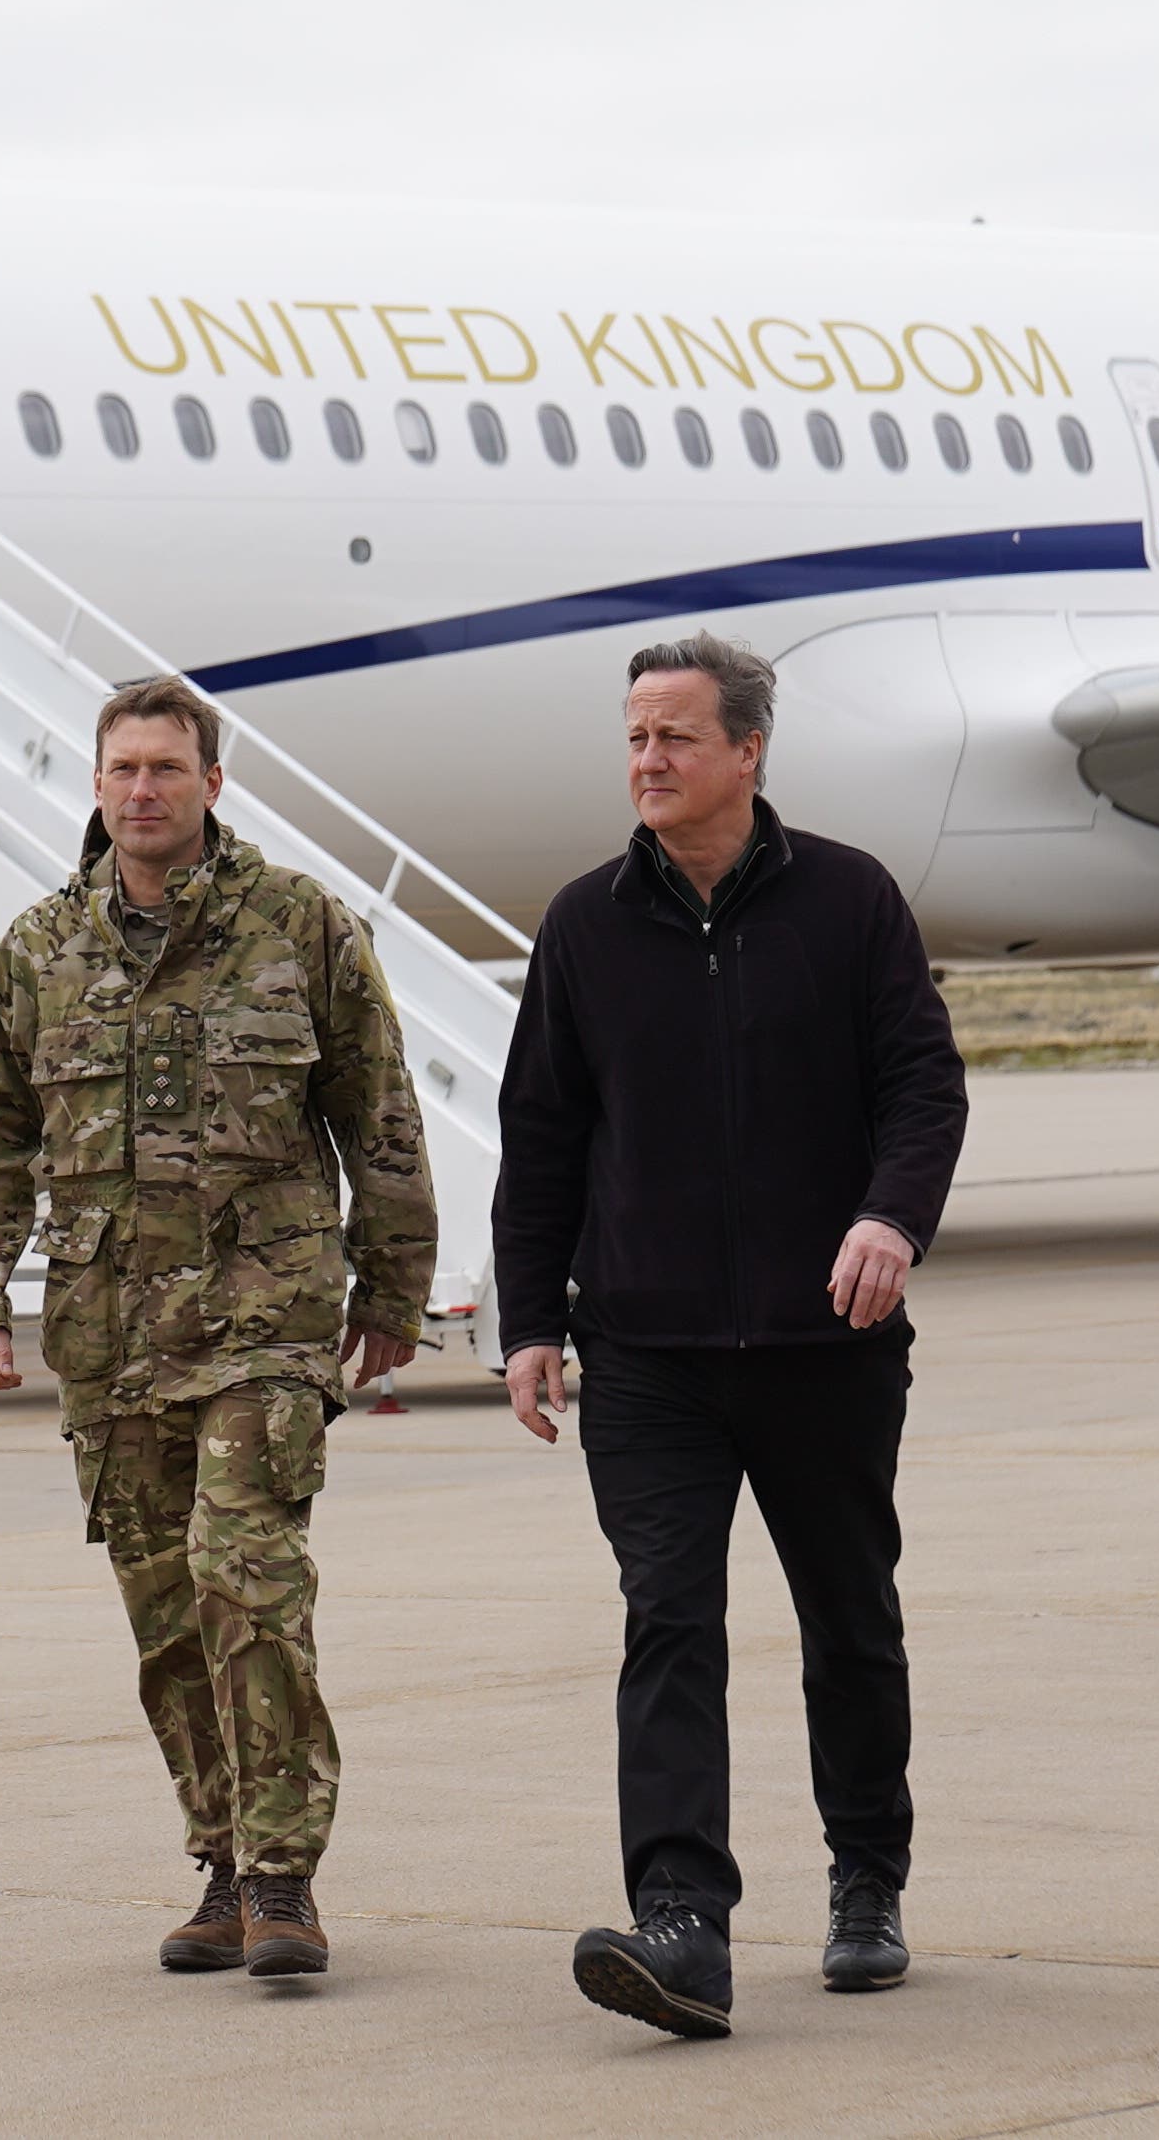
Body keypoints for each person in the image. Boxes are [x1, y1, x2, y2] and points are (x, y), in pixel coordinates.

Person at [494, 632, 968, 2040]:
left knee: (848, 1617)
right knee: (670, 1620)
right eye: (636, 737)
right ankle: (683, 1923)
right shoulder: (584, 925)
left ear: (749, 751)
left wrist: (890, 1218)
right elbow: (543, 1137)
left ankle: (867, 1877)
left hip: (826, 1341)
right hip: (644, 1353)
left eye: (676, 738)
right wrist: (528, 1322)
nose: (648, 760)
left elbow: (923, 1088)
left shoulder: (851, 901)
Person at [0, 675, 434, 1981]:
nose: (142, 789)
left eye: (166, 766)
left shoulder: (299, 927)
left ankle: (281, 1874)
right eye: (122, 768)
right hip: (109, 1334)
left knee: (244, 1571)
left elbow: (376, 1111)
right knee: (165, 1613)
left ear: (214, 783)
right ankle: (219, 1860)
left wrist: (391, 1286)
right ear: (96, 786)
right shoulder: (41, 952)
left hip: (263, 1315)